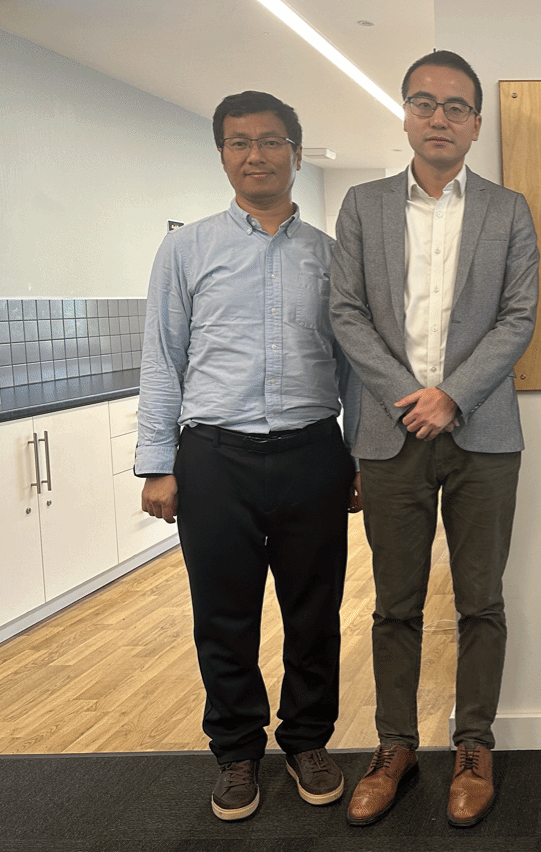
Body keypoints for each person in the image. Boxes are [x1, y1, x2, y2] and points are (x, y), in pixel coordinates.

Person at [136, 91, 361, 821]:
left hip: (311, 454)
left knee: (314, 611)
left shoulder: (330, 256)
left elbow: (354, 368)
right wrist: (157, 463)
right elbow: (163, 358)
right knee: (222, 616)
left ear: (296, 151)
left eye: (269, 142)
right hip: (214, 458)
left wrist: (358, 458)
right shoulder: (186, 250)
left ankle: (307, 741)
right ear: (222, 154)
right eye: (239, 142)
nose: (254, 155)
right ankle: (236, 752)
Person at [330, 50, 539, 829]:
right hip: (389, 435)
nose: (439, 117)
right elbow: (346, 312)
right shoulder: (362, 206)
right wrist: (406, 398)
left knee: (482, 600)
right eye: (424, 102)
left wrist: (451, 396)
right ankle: (395, 747)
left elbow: (518, 315)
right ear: (405, 115)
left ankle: (473, 746)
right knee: (396, 605)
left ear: (477, 124)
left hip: (484, 433)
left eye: (456, 106)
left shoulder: (508, 211)